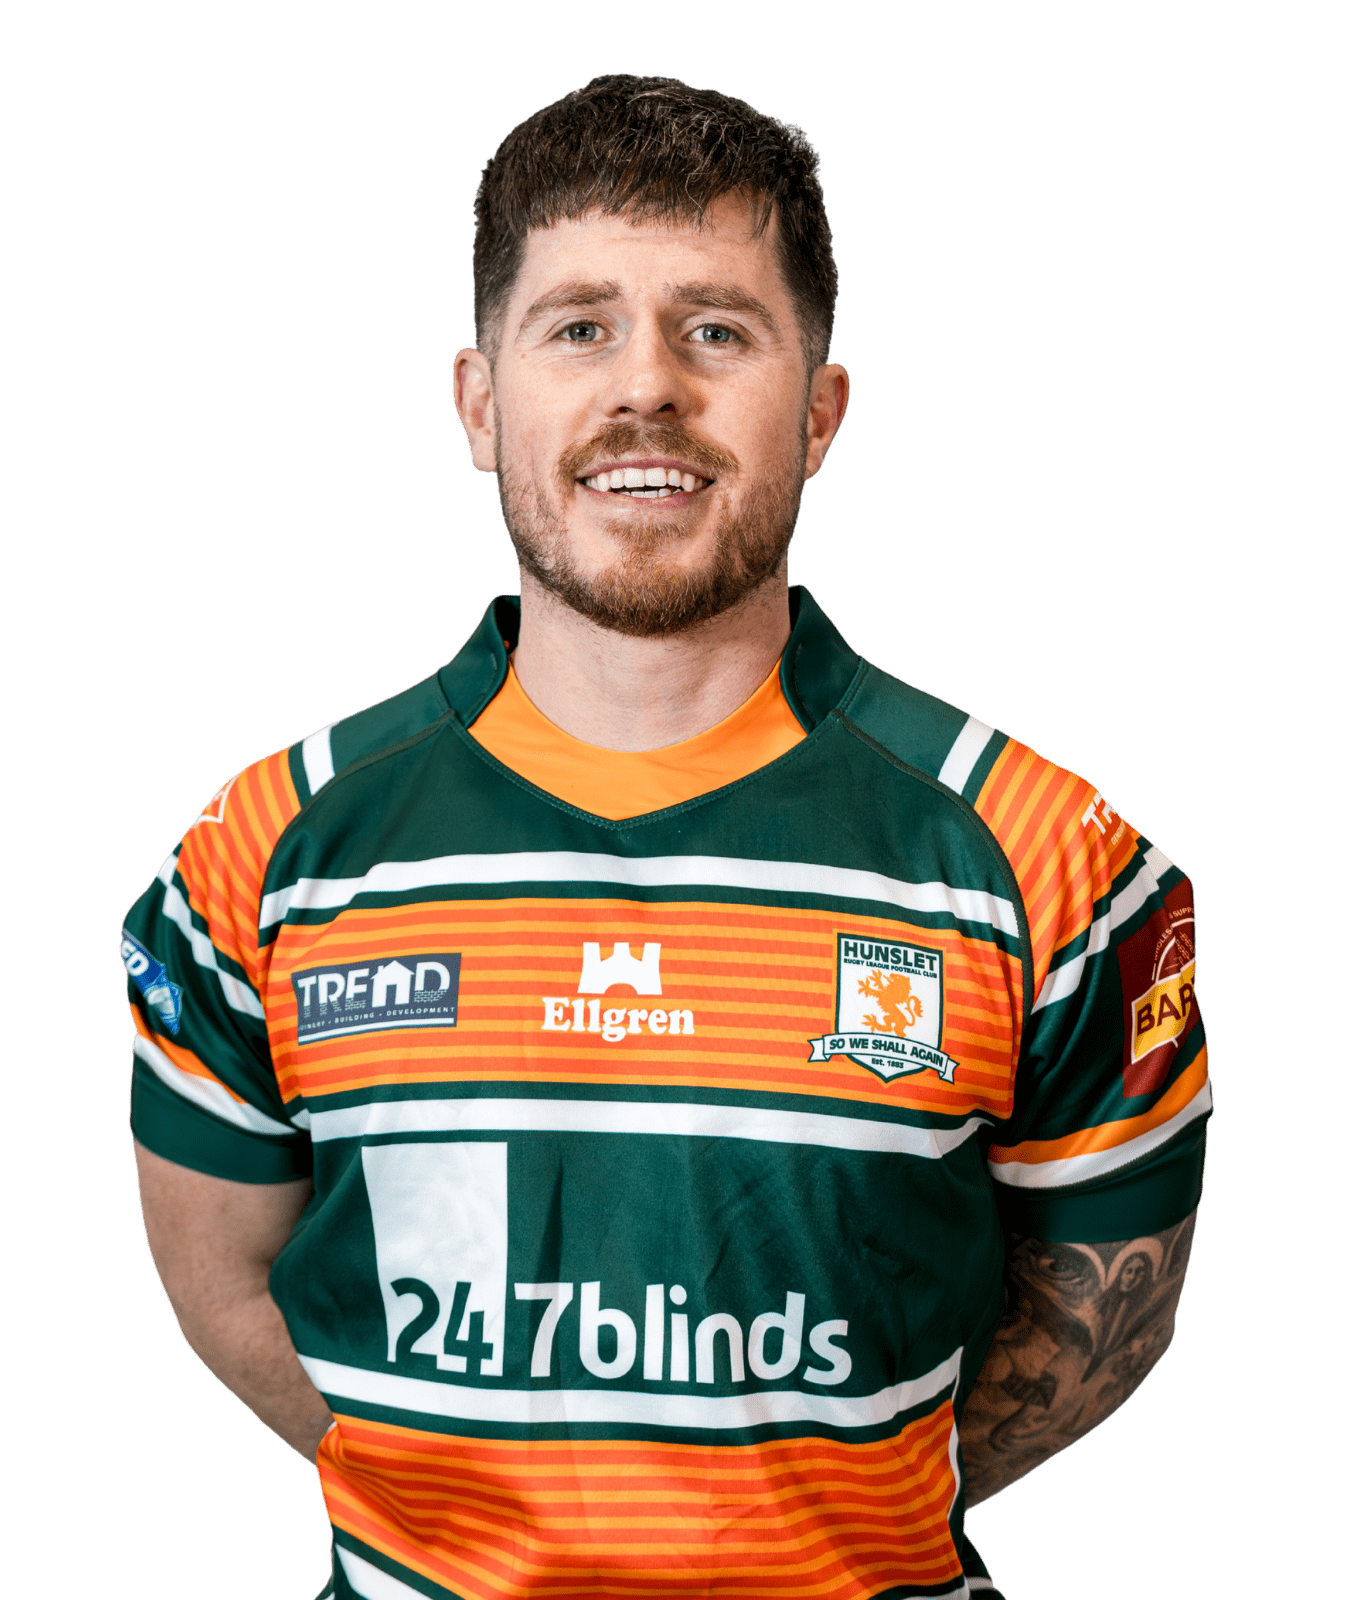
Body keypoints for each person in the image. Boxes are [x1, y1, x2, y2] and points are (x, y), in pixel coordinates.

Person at [123, 74, 1210, 1600]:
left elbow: (1106, 1320)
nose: (648, 387)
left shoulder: (1054, 859)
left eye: (716, 330)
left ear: (818, 413)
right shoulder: (263, 853)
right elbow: (224, 1284)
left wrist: (819, 1506)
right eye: (579, 327)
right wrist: (476, 1521)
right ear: (479, 403)